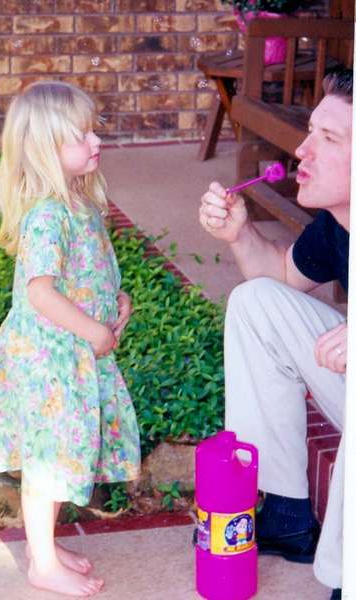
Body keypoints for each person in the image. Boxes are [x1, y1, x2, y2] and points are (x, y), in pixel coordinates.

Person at [199, 67, 352, 600]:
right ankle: (287, 511)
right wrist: (240, 233)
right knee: (256, 303)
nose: (302, 150)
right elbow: (283, 277)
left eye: (329, 138)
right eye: (310, 131)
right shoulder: (338, 223)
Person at [0, 81, 141, 597]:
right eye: (81, 135)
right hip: (46, 359)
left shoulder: (80, 205)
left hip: (68, 355)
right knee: (49, 461)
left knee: (61, 452)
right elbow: (41, 293)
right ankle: (43, 565)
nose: (96, 141)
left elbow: (86, 276)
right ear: (44, 150)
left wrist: (115, 301)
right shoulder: (49, 215)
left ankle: (43, 548)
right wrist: (93, 329)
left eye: (94, 130)